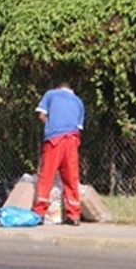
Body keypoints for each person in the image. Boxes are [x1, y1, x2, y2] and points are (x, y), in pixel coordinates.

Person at [32, 82, 85, 226]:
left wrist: (50, 126)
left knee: (46, 176)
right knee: (71, 178)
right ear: (71, 90)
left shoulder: (50, 94)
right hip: (72, 140)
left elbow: (42, 115)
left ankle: (39, 213)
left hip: (54, 140)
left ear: (57, 87)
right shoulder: (79, 102)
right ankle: (74, 215)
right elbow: (78, 127)